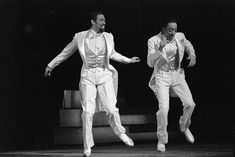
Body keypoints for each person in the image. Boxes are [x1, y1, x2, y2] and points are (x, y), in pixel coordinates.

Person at [44, 11, 140, 157]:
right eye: (101, 20)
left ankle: (121, 133)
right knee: (88, 112)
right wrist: (51, 65)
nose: (104, 22)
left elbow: (113, 54)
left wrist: (128, 60)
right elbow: (65, 53)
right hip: (88, 75)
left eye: (105, 20)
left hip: (105, 74)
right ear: (93, 22)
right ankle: (87, 146)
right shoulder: (80, 37)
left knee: (112, 108)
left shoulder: (108, 36)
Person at [147, 18, 196, 152]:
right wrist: (160, 48)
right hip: (162, 76)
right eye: (170, 29)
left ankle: (184, 126)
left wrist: (192, 54)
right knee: (163, 109)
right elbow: (150, 63)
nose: (173, 32)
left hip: (178, 74)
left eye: (175, 29)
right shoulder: (153, 41)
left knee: (190, 104)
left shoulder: (180, 36)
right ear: (163, 29)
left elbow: (188, 45)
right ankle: (162, 140)